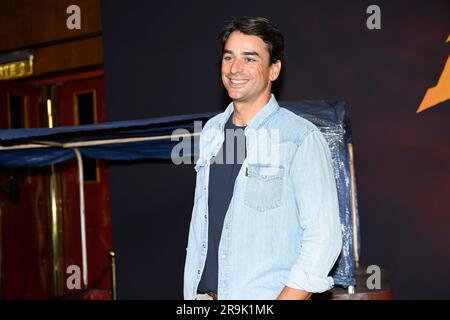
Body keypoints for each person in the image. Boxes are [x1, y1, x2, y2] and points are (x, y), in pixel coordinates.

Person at [183, 16, 342, 300]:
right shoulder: (211, 133)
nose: (235, 69)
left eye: (250, 58)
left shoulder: (298, 137)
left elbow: (324, 239)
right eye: (229, 57)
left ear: (274, 70)